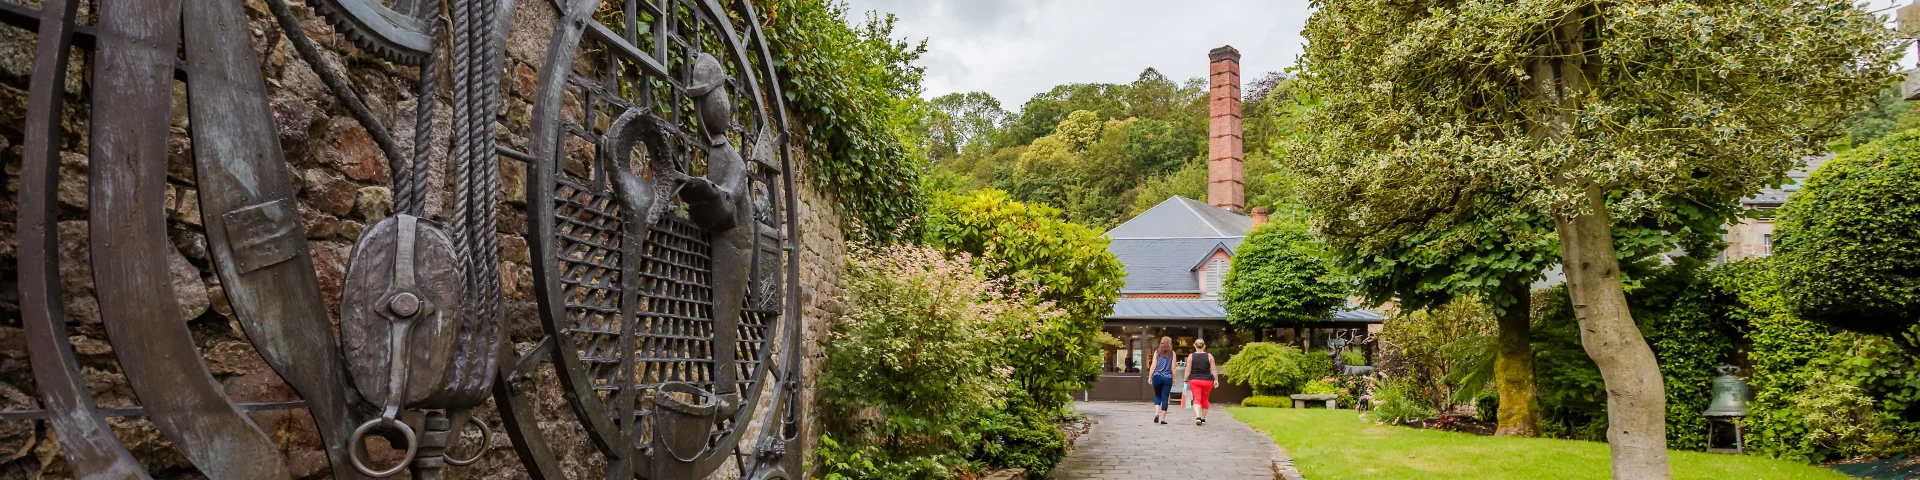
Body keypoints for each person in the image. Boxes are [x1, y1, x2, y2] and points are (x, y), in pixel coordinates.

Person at [1181, 339, 1220, 425]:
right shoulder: (1209, 356)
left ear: (1195, 346)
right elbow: (1214, 369)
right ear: (1204, 346)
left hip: (1194, 380)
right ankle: (1203, 418)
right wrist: (1216, 380)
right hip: (1207, 380)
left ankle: (1198, 416)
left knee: (1197, 398)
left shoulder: (1191, 356)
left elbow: (1188, 370)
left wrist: (1184, 380)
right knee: (1205, 399)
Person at [1148, 337, 1176, 424]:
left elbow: (1153, 365)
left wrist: (1150, 377)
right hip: (1167, 378)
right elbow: (1173, 367)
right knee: (1165, 398)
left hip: (1157, 376)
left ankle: (1156, 414)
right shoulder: (1172, 353)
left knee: (1157, 396)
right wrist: (1175, 378)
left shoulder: (1157, 352)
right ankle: (1163, 419)